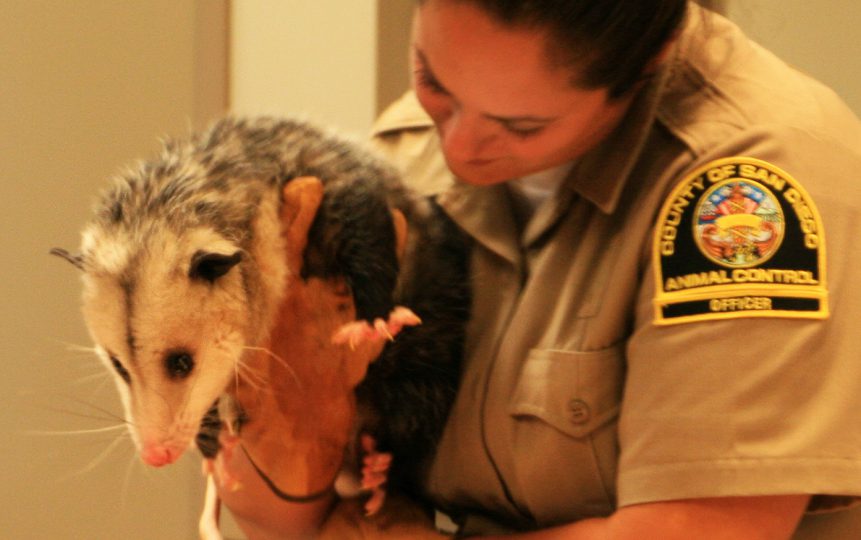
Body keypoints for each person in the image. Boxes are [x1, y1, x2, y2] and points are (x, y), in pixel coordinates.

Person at [214, 1, 861, 538]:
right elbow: (285, 511)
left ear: (646, 64)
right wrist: (287, 430)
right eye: (433, 80)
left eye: (521, 126)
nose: (458, 147)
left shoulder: (746, 188)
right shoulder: (406, 148)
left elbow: (701, 530)